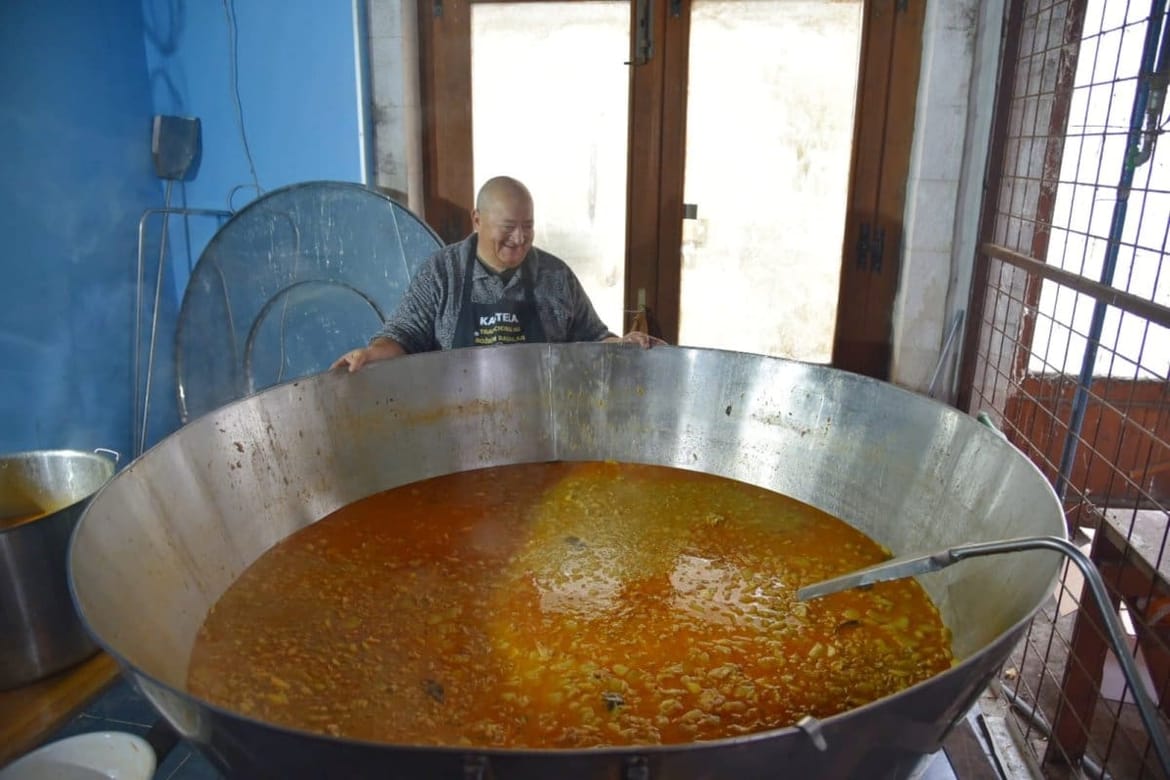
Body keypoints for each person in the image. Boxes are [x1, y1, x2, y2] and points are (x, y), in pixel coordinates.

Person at [332, 176, 660, 372]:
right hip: (453, 426)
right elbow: (403, 336)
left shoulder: (555, 276)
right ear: (477, 219)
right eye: (508, 227)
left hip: (542, 427)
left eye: (527, 227)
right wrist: (371, 354)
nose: (519, 239)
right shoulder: (441, 273)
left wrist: (622, 343)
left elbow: (592, 338)